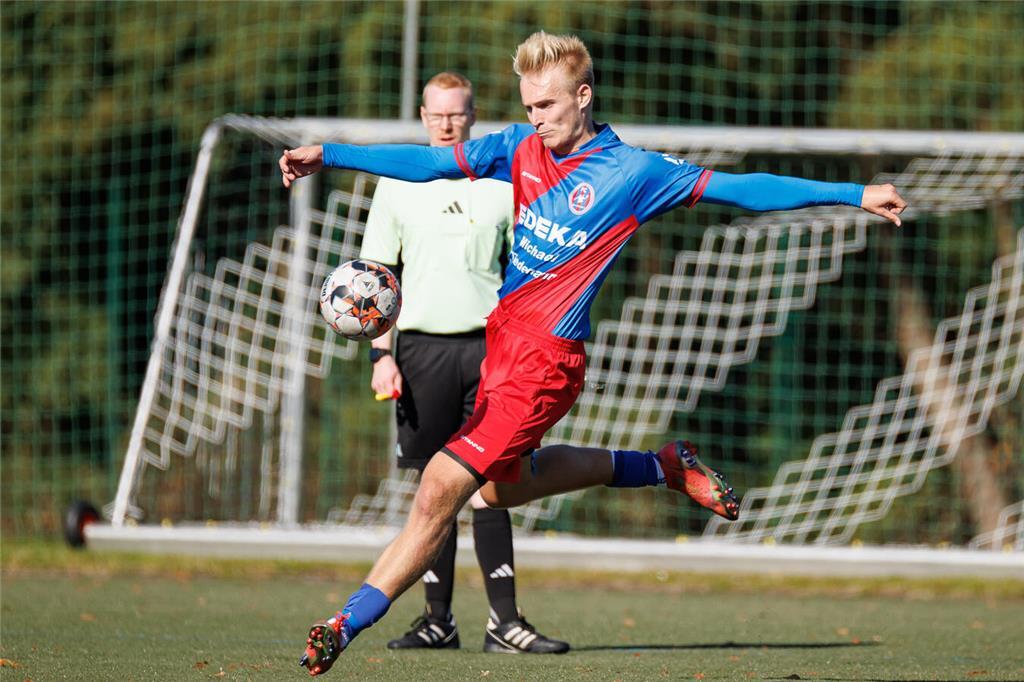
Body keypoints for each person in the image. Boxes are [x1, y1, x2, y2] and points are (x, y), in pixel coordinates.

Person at [281, 31, 907, 676]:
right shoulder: (520, 149)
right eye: (528, 107)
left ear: (583, 97)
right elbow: (431, 163)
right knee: (500, 494)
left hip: (544, 366)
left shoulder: (634, 174)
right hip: (502, 345)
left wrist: (853, 195)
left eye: (548, 106)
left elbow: (743, 188)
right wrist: (330, 156)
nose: (536, 119)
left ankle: (342, 624)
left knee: (438, 489)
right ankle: (659, 466)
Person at [360, 71, 568, 655]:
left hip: (492, 352)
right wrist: (382, 355)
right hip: (420, 350)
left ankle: (505, 623)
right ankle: (437, 621)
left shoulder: (504, 181)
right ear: (423, 116)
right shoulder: (398, 182)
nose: (447, 123)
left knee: (494, 484)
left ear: (473, 115)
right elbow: (378, 278)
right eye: (437, 114)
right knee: (436, 487)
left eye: (458, 113)